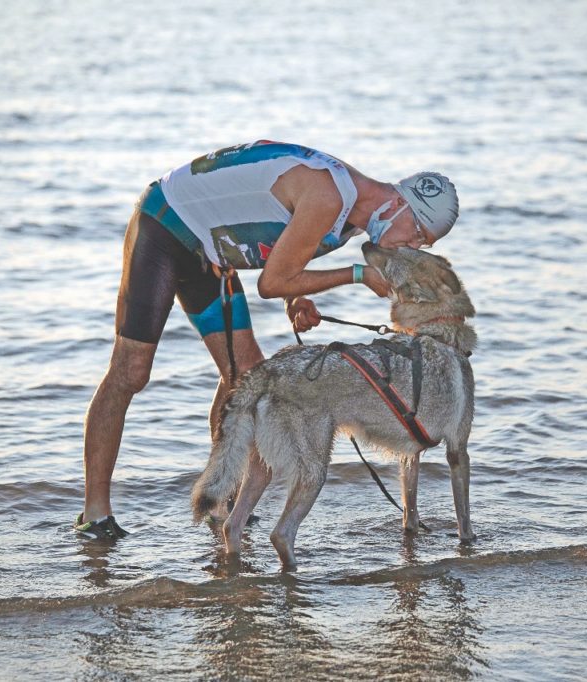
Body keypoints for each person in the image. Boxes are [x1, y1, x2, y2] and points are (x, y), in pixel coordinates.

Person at [74, 140, 459, 540]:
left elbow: (283, 252)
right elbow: (270, 282)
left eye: (423, 245)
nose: (413, 248)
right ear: (399, 204)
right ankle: (94, 514)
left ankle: (220, 502)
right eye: (417, 234)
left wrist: (297, 297)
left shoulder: (357, 216)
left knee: (245, 375)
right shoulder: (331, 194)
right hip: (166, 224)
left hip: (212, 252)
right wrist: (357, 276)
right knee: (131, 371)